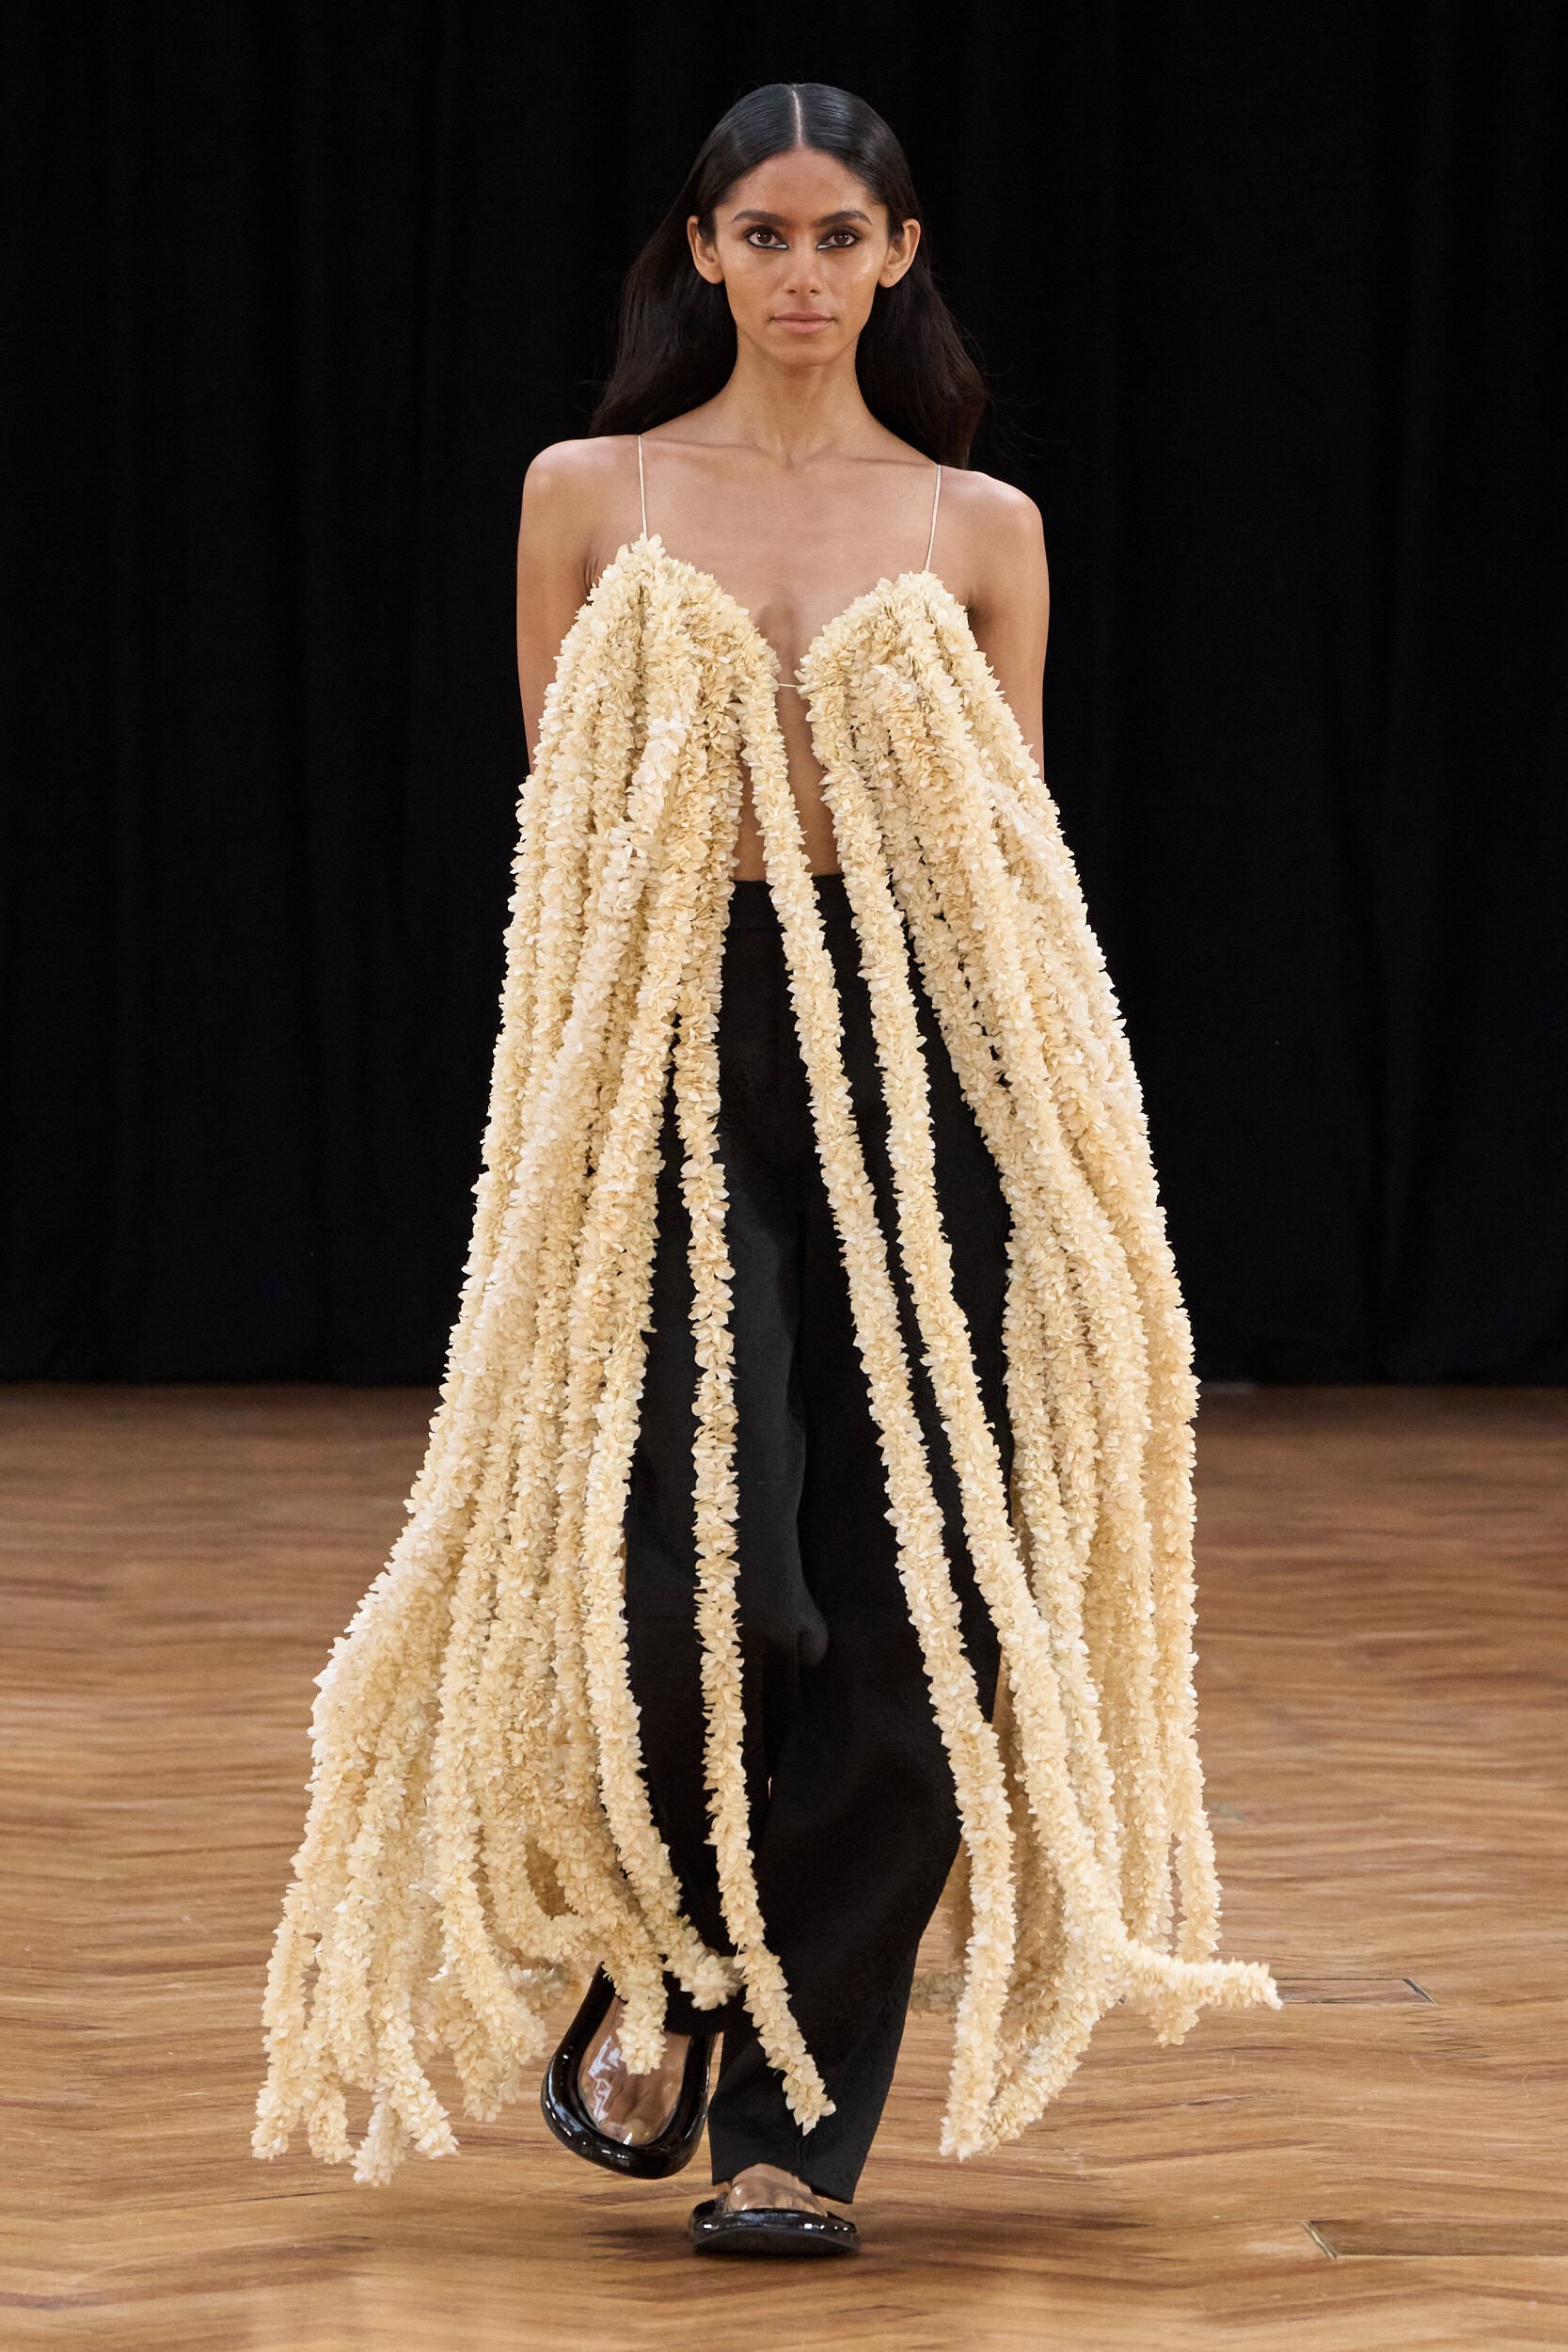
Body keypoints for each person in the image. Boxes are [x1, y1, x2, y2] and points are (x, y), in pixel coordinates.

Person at [254, 82, 1275, 2259]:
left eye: (840, 235)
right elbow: (571, 833)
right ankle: (668, 1946)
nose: (803, 272)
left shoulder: (980, 526)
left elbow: (1009, 855)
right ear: (704, 251)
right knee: (708, 1585)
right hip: (672, 1048)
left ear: (898, 255)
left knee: (921, 1620)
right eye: (765, 233)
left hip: (920, 1055)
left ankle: (791, 2127)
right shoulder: (590, 491)